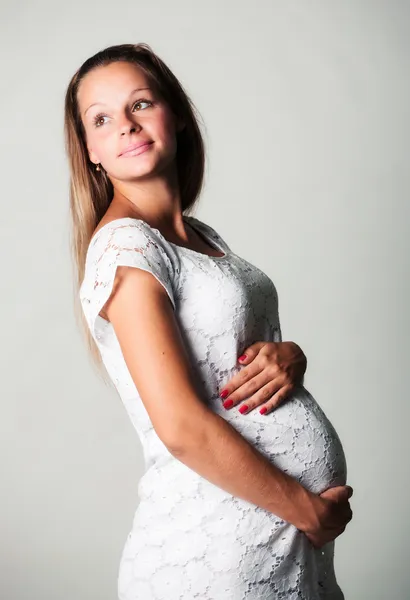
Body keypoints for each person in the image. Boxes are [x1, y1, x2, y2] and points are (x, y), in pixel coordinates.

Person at [65, 42, 353, 599]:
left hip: (270, 539)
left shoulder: (200, 239)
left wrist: (289, 355)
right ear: (92, 151)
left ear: (174, 114)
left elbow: (231, 358)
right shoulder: (127, 247)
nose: (125, 126)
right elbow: (182, 426)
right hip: (220, 552)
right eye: (102, 119)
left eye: (140, 104)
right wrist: (308, 511)